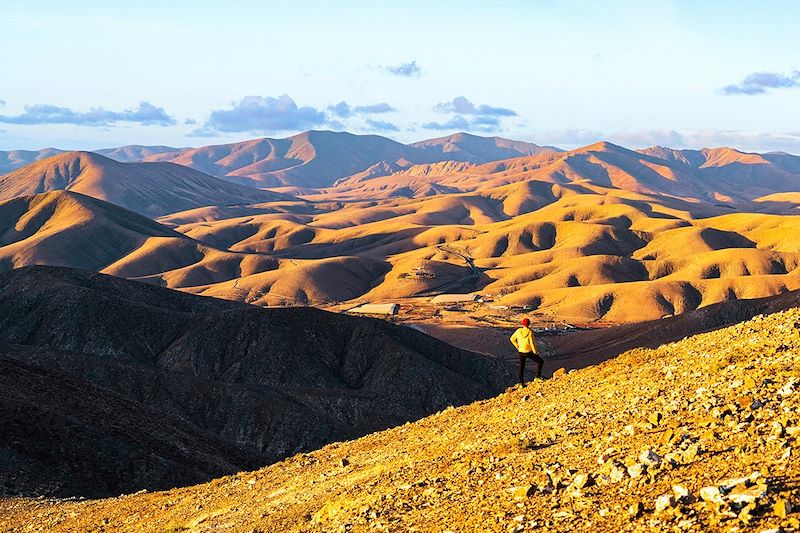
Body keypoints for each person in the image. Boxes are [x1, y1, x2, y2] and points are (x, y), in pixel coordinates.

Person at [510, 318, 542, 384]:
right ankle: (537, 377)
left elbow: (512, 339)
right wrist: (535, 352)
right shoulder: (530, 332)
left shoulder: (518, 331)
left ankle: (522, 383)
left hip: (521, 351)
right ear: (529, 324)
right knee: (540, 362)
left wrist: (517, 347)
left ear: (522, 323)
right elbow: (532, 343)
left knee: (522, 366)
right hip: (528, 351)